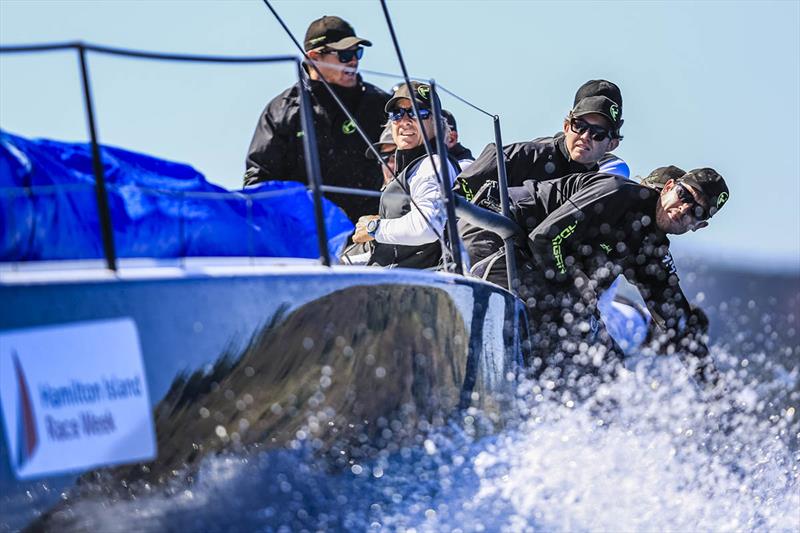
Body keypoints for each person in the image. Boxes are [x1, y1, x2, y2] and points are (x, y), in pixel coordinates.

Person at [470, 165, 730, 391]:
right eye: (684, 195)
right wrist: (574, 291)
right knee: (557, 317)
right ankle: (510, 386)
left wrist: (713, 389)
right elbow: (546, 238)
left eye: (697, 211)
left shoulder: (651, 249)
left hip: (535, 267)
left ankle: (562, 435)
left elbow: (678, 323)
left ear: (699, 225)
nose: (683, 208)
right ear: (669, 187)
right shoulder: (620, 193)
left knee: (608, 366)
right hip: (496, 233)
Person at [244, 15, 390, 223]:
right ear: (314, 57)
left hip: (371, 234)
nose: (354, 60)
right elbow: (259, 180)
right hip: (306, 236)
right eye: (345, 54)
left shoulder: (381, 104)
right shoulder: (282, 110)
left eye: (358, 52)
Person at [351, 82, 459, 269]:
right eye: (397, 114)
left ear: (436, 123)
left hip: (417, 289)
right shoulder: (412, 169)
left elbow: (427, 227)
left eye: (418, 113)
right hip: (393, 285)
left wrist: (374, 228)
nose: (405, 121)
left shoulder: (433, 165)